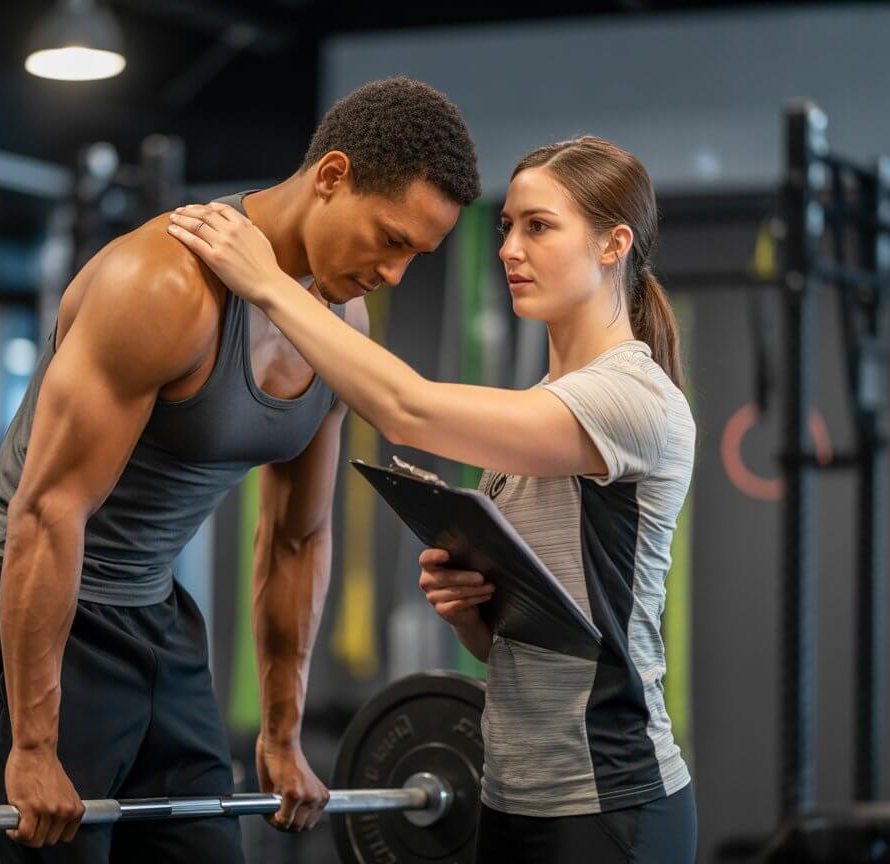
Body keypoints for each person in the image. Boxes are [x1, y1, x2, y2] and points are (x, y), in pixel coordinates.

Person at [0, 76, 480, 863]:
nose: (394, 273)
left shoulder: (339, 323)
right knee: (51, 849)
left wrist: (283, 731)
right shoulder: (162, 287)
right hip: (32, 593)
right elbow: (48, 512)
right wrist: (31, 744)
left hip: (154, 610)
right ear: (331, 177)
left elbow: (298, 537)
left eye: (416, 257)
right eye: (391, 239)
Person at [168, 134, 698, 863]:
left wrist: (268, 285)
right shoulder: (541, 408)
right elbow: (530, 642)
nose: (510, 247)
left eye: (539, 226)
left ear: (613, 245)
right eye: (508, 225)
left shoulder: (633, 399)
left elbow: (404, 410)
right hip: (509, 794)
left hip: (610, 800)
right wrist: (474, 613)